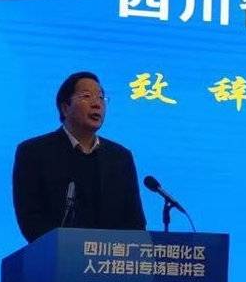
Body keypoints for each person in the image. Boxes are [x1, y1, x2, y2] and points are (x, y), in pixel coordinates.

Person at [11, 71, 147, 243]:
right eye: (86, 96)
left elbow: (135, 223)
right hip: (58, 256)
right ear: (65, 107)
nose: (97, 104)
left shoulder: (120, 157)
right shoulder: (33, 152)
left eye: (101, 98)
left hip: (111, 257)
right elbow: (31, 219)